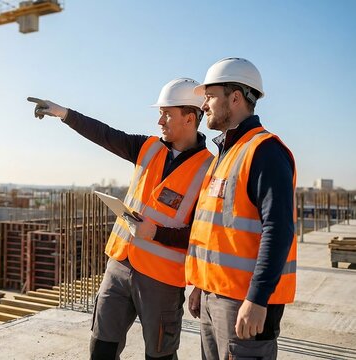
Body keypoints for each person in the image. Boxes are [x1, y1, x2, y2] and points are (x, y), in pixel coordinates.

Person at [28, 77, 213, 360]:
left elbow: (204, 234)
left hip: (161, 280)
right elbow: (105, 134)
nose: (160, 121)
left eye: (167, 114)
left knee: (159, 354)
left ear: (190, 118)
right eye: (159, 113)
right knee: (101, 347)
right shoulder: (148, 148)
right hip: (119, 266)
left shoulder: (209, 169)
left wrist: (158, 234)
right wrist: (63, 113)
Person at [185, 58, 297, 360]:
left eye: (210, 96)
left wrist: (258, 299)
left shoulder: (265, 151)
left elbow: (279, 230)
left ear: (235, 98)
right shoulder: (226, 152)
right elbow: (215, 231)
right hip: (214, 296)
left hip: (244, 303)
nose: (204, 105)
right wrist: (200, 286)